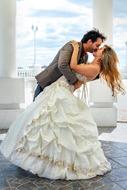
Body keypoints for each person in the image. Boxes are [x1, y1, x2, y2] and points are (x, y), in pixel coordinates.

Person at [1, 41, 124, 180]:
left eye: (101, 48)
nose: (98, 48)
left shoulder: (95, 68)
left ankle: (56, 163)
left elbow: (72, 66)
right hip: (59, 90)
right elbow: (76, 79)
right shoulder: (92, 64)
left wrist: (76, 47)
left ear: (103, 56)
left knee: (55, 127)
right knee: (46, 126)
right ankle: (42, 157)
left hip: (62, 92)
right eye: (98, 46)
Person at [33, 29, 106, 100]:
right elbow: (62, 65)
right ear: (90, 41)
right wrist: (75, 82)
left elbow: (82, 72)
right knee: (37, 110)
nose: (97, 48)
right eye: (97, 45)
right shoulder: (71, 46)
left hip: (61, 90)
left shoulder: (85, 56)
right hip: (48, 83)